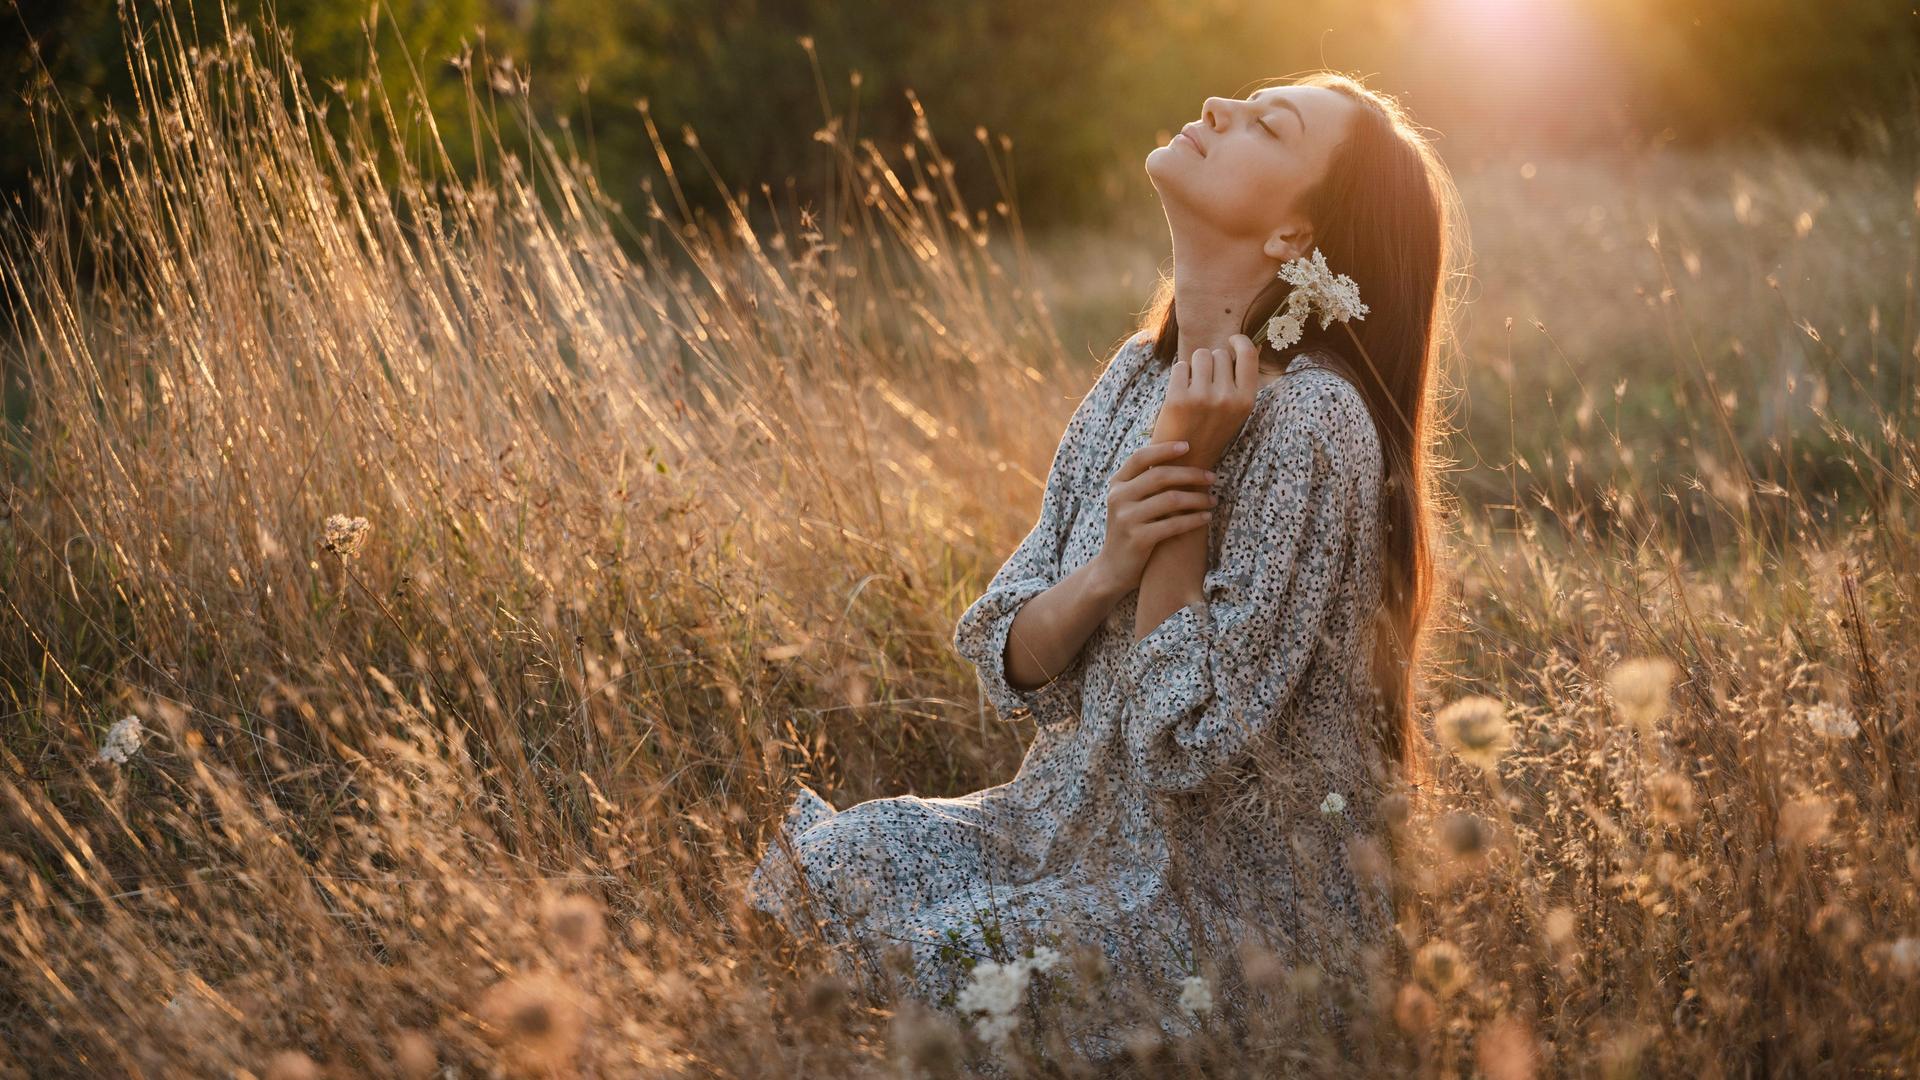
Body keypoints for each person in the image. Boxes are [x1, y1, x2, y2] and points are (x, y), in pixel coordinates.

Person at [749, 71, 1461, 1062]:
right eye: (1243, 100)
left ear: (1296, 238)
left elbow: (1185, 749)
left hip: (1223, 907)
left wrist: (1185, 478)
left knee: (941, 965)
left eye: (1269, 127)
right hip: (1053, 829)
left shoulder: (1316, 423)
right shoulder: (1136, 374)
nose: (1219, 110)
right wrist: (1106, 568)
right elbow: (1007, 653)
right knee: (823, 868)